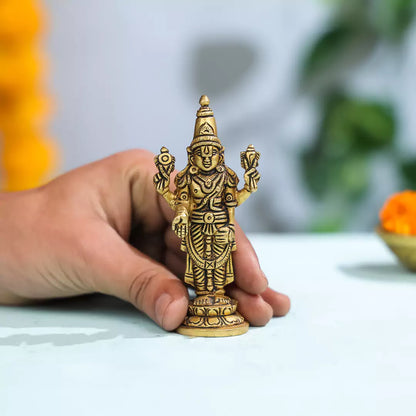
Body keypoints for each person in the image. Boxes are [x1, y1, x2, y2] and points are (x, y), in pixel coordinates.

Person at [0, 149, 290, 331]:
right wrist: (164, 185)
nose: (206, 159)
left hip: (217, 233)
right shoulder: (189, 183)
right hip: (196, 234)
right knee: (200, 266)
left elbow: (234, 199)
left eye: (211, 153)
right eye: (201, 153)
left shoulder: (222, 180)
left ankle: (214, 299)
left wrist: (249, 180)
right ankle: (207, 299)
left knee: (220, 269)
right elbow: (175, 201)